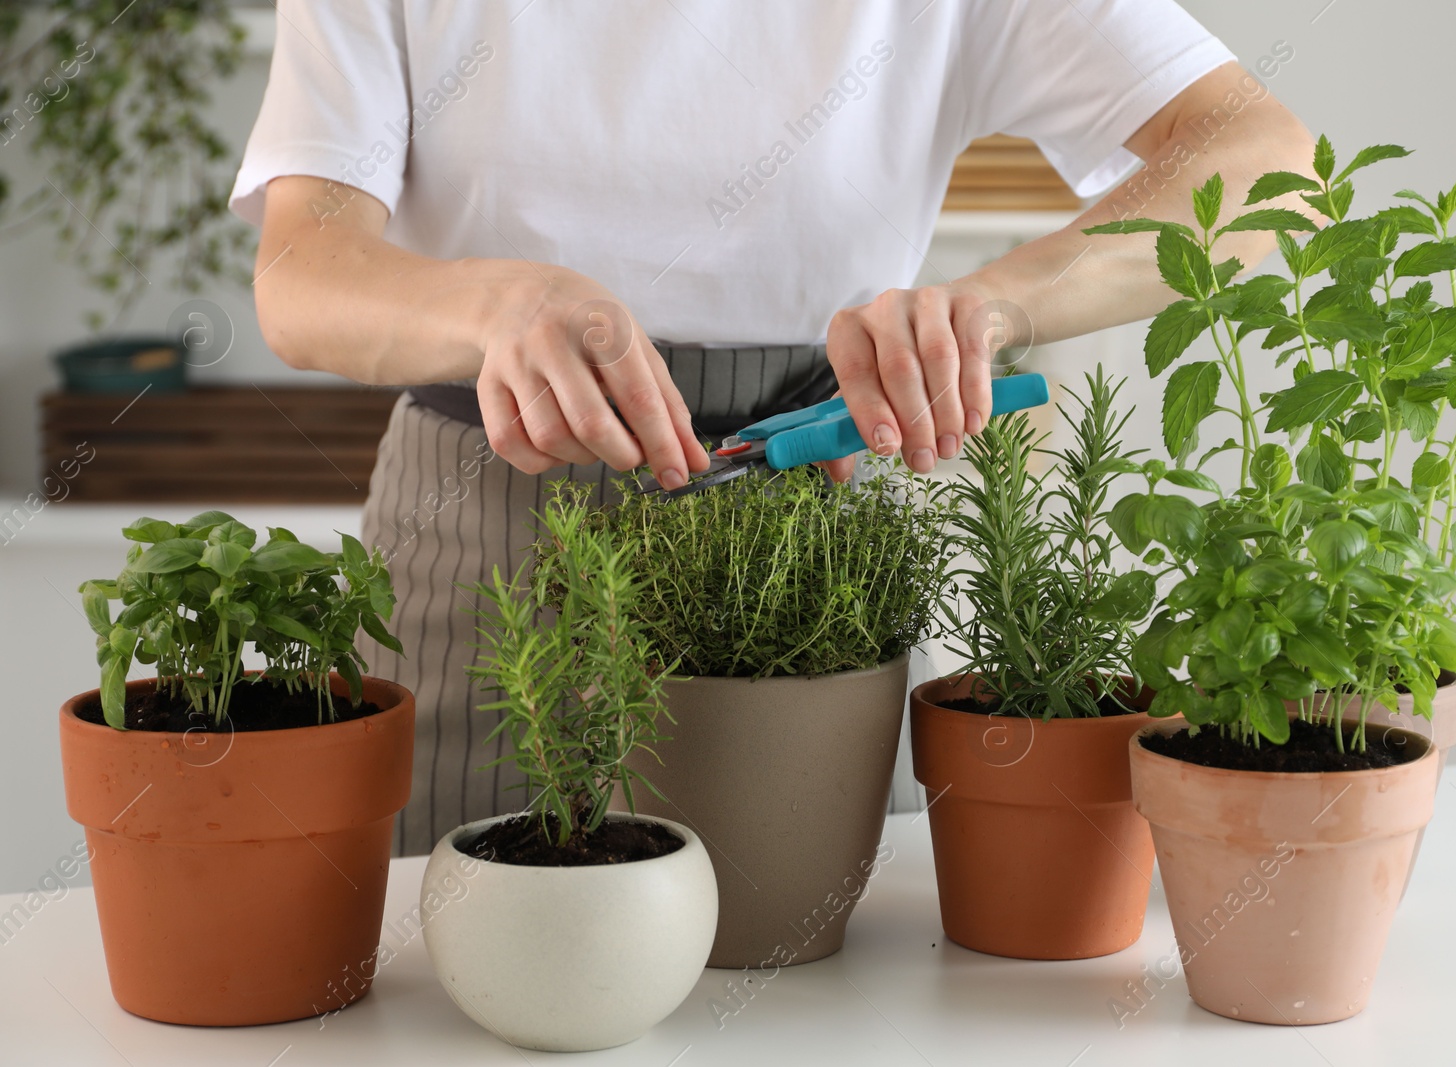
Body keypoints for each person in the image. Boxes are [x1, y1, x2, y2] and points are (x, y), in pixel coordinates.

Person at [231, 0, 1313, 855]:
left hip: (819, 524)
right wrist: (492, 309)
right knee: (450, 983)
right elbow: (301, 273)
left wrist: (1000, 303)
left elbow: (1264, 156)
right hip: (479, 543)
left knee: (830, 977)